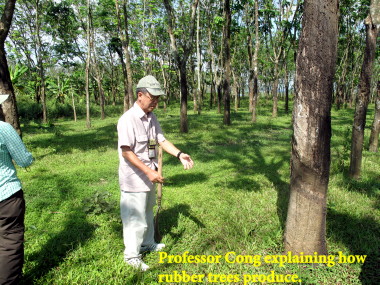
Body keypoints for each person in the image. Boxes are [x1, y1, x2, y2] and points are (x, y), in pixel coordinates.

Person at [117, 75, 194, 271]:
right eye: (153, 98)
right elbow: (127, 152)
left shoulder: (152, 118)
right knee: (135, 219)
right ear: (140, 95)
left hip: (150, 176)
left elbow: (161, 140)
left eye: (158, 99)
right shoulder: (128, 120)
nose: (156, 103)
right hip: (134, 179)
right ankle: (131, 256)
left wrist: (179, 154)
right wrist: (148, 172)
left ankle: (147, 243)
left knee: (147, 212)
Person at [0, 94, 34, 284]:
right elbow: (23, 160)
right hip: (6, 195)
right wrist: (30, 158)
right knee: (9, 242)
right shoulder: (3, 129)